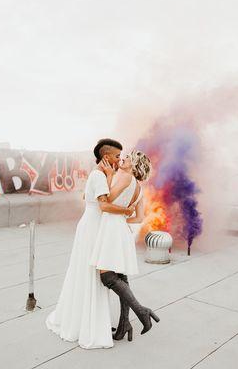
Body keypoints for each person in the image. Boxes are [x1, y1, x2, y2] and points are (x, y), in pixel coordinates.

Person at [45, 138, 135, 349]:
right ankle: (92, 326)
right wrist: (126, 211)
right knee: (93, 275)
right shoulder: (99, 175)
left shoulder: (99, 175)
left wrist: (111, 176)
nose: (119, 160)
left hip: (92, 226)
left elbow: (88, 196)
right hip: (93, 228)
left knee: (93, 275)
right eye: (116, 156)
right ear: (106, 157)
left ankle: (101, 321)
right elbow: (104, 206)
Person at [89, 149, 160, 342]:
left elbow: (107, 200)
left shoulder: (126, 177)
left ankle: (142, 311)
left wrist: (110, 175)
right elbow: (138, 217)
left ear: (133, 164)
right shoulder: (139, 188)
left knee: (108, 277)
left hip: (112, 227)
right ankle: (124, 325)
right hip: (120, 228)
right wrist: (123, 220)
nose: (122, 159)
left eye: (127, 157)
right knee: (121, 277)